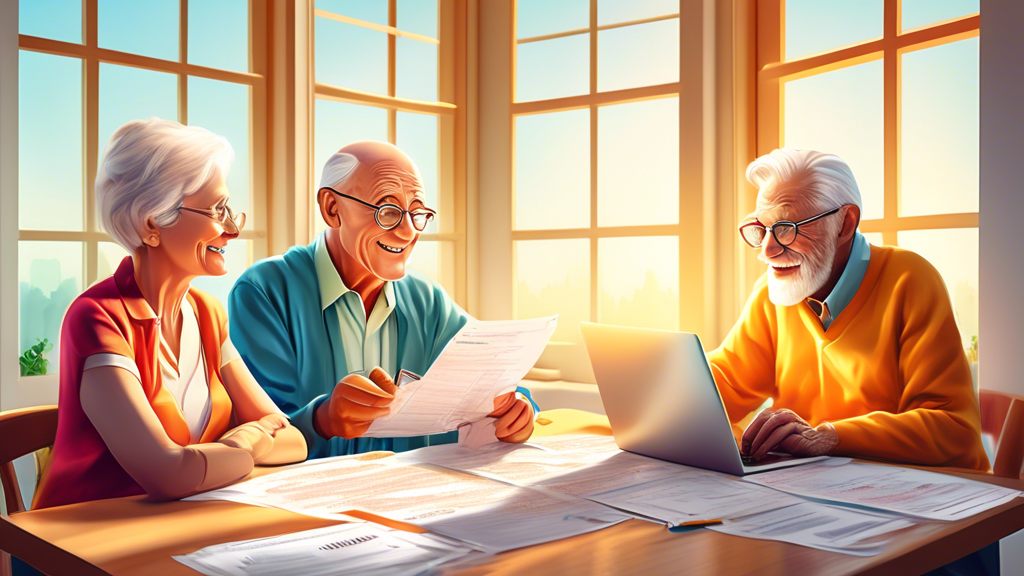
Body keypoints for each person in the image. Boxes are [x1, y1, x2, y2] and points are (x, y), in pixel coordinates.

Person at [33, 118, 306, 509]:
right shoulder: (98, 318)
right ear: (151, 224)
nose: (232, 230)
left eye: (229, 209)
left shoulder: (208, 314)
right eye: (216, 210)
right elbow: (168, 474)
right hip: (78, 542)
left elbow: (293, 439)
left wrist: (225, 453)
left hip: (182, 521)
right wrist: (247, 442)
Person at [229, 141, 536, 459]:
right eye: (388, 212)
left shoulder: (426, 298)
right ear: (332, 208)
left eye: (417, 213)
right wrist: (323, 419)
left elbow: (494, 380)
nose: (407, 232)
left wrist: (517, 413)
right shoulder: (264, 290)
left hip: (410, 496)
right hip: (305, 499)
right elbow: (253, 431)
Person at [708, 148, 988, 470]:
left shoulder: (909, 281)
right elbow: (721, 383)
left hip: (925, 497)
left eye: (786, 227)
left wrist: (831, 437)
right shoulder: (773, 295)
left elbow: (954, 429)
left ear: (845, 224)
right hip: (810, 492)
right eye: (764, 229)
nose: (768, 250)